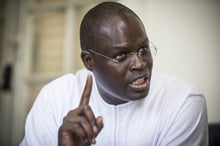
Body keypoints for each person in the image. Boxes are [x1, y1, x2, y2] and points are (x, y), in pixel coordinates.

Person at [20, 2, 208, 146]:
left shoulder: (182, 100)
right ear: (89, 61)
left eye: (143, 49)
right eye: (121, 55)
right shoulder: (54, 98)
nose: (140, 63)